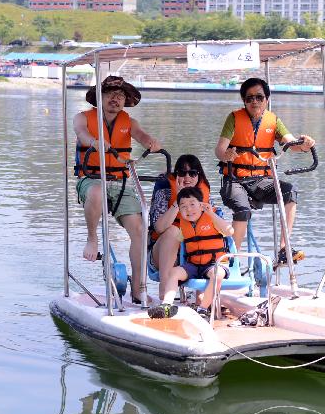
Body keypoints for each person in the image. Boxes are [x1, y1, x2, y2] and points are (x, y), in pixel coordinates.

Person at [73, 75, 161, 304]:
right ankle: (92, 238)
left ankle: (138, 287)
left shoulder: (129, 122)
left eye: (120, 95)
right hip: (91, 178)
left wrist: (150, 141)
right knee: (96, 191)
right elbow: (82, 134)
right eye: (110, 94)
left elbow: (141, 136)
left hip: (121, 182)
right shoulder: (82, 118)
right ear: (99, 97)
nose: (115, 99)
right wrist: (94, 142)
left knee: (140, 230)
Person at [214, 77, 315, 267]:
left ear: (266, 99)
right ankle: (232, 264)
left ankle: (284, 250)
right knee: (242, 210)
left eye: (259, 97)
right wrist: (226, 154)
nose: (254, 102)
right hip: (235, 180)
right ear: (244, 101)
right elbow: (219, 150)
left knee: (290, 192)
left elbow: (290, 142)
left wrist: (304, 145)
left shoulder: (274, 121)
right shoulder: (234, 118)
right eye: (249, 98)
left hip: (262, 180)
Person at [151, 186, 233, 320]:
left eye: (192, 204)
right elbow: (173, 240)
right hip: (193, 266)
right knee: (173, 272)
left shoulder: (213, 218)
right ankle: (166, 306)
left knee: (217, 274)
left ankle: (202, 308)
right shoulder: (183, 225)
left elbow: (229, 232)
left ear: (202, 205)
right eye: (183, 206)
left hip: (215, 263)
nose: (188, 209)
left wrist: (211, 214)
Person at [148, 154, 212, 306]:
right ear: (176, 175)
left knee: (205, 236)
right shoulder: (164, 193)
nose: (187, 177)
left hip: (193, 257)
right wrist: (178, 200)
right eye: (182, 173)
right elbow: (159, 227)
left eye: (192, 173)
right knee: (173, 232)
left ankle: (202, 297)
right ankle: (165, 292)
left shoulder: (203, 197)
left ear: (198, 176)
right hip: (162, 253)